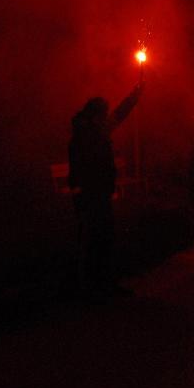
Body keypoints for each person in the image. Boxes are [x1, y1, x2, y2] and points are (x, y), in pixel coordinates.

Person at [69, 80, 144, 295]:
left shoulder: (95, 131)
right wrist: (82, 191)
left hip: (98, 193)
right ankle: (91, 287)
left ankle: (102, 284)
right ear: (95, 116)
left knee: (103, 238)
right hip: (91, 195)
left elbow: (119, 114)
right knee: (94, 240)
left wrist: (135, 96)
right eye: (104, 114)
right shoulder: (86, 136)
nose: (107, 118)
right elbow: (82, 167)